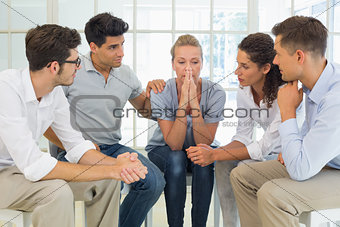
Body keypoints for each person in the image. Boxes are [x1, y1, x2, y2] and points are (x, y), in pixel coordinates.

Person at [0, 24, 147, 227]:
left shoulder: (54, 91)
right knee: (57, 192)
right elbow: (34, 166)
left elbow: (77, 146)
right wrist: (110, 169)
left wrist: (117, 166)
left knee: (109, 182)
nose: (79, 66)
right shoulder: (6, 88)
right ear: (54, 67)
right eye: (75, 61)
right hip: (4, 176)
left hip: (23, 171)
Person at [44, 13, 166, 227]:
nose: (121, 53)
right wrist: (77, 147)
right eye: (113, 47)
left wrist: (153, 93)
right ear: (93, 47)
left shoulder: (126, 74)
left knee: (154, 181)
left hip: (112, 147)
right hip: (74, 151)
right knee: (112, 183)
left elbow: (146, 111)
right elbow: (45, 123)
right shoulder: (71, 71)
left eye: (122, 45)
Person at [230, 16, 340, 227]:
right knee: (243, 176)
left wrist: (288, 110)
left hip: (334, 169)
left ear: (299, 56)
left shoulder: (335, 98)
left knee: (274, 195)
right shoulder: (314, 81)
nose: (276, 61)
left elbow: (300, 170)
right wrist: (293, 149)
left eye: (278, 55)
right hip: (326, 162)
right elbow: (310, 137)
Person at [186, 33, 286, 227]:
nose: (236, 72)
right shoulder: (244, 90)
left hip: (286, 155)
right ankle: (230, 224)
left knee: (242, 168)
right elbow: (242, 135)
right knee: (224, 164)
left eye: (244, 67)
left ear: (266, 68)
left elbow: (264, 146)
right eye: (237, 64)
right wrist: (215, 154)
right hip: (267, 154)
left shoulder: (284, 93)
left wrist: (214, 154)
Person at [146, 34, 226, 227]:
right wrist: (183, 103)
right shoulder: (162, 92)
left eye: (195, 62)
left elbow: (204, 143)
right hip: (164, 150)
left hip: (198, 148)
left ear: (202, 64)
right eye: (181, 62)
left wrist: (195, 104)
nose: (188, 68)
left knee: (204, 157)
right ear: (173, 64)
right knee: (176, 157)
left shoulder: (216, 93)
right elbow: (174, 144)